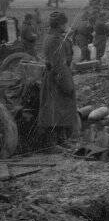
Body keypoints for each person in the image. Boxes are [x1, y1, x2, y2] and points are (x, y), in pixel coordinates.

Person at [37, 11, 78, 145]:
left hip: (53, 78)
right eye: (64, 23)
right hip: (57, 80)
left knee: (57, 110)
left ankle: (60, 140)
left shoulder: (52, 37)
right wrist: (67, 85)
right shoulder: (55, 41)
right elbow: (59, 65)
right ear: (59, 24)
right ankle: (57, 142)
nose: (65, 26)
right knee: (58, 109)